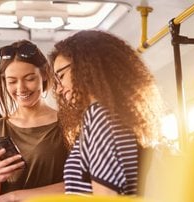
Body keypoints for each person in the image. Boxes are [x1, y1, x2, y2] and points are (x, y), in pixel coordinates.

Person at [48, 30, 163, 196]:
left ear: (84, 66)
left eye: (61, 76)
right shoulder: (118, 115)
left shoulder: (99, 116)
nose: (58, 89)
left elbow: (106, 195)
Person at [0, 40, 68, 201]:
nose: (21, 88)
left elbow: (81, 185)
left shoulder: (68, 123)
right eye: (12, 81)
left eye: (29, 78)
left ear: (44, 74)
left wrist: (15, 197)